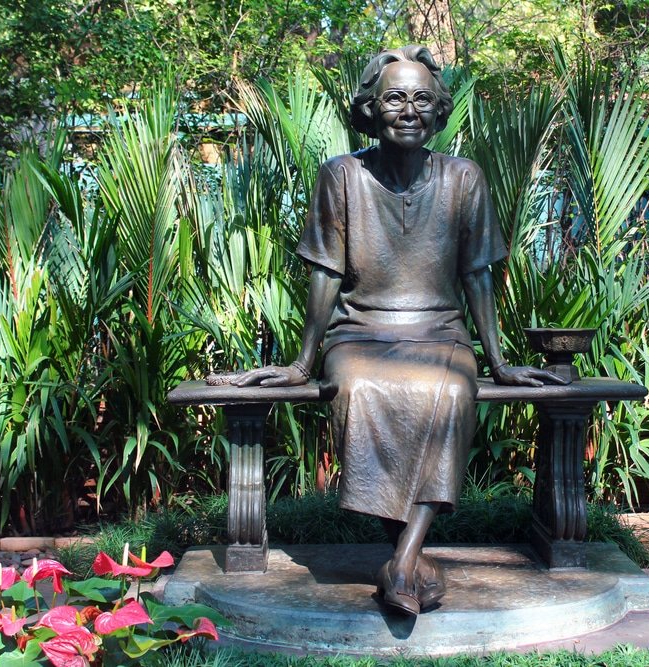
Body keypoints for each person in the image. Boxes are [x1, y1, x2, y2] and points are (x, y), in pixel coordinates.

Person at [225, 45, 565, 616]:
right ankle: (408, 562)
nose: (409, 110)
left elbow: (477, 276)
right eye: (396, 98)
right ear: (370, 108)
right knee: (358, 391)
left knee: (454, 390)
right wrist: (304, 362)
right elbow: (327, 273)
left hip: (441, 332)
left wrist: (498, 361)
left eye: (422, 99)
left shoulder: (464, 178)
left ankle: (402, 560)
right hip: (359, 332)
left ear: (438, 112)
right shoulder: (341, 176)